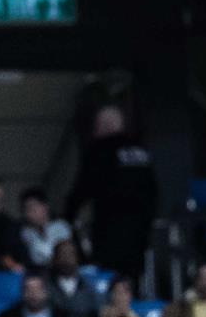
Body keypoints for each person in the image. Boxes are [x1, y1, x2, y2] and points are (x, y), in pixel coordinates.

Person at [67, 102, 158, 278]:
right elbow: (153, 190)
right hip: (140, 228)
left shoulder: (100, 151)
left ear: (105, 125)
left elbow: (83, 187)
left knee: (110, 275)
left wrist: (68, 214)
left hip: (110, 228)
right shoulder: (140, 150)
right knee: (133, 274)